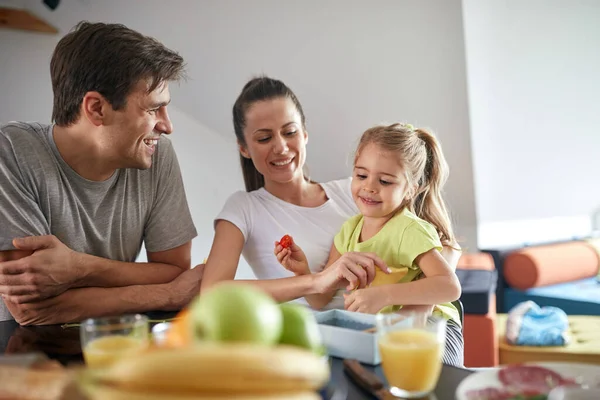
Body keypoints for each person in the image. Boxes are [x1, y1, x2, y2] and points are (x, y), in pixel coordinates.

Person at [200, 76, 461, 312]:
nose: (281, 147)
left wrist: (413, 313)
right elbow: (212, 292)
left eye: (289, 132)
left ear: (304, 134)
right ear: (244, 148)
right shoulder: (244, 208)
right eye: (264, 138)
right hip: (322, 336)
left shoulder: (359, 191)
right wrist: (311, 278)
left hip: (386, 332)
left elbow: (446, 248)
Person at [0, 22, 201, 325]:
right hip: (23, 355)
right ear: (96, 109)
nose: (167, 126)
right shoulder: (11, 153)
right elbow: (31, 308)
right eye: (152, 110)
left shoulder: (157, 155)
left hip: (113, 340)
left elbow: (175, 272)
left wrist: (78, 268)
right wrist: (169, 294)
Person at [275, 122, 464, 366]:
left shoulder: (409, 229)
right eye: (361, 175)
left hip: (435, 328)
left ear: (410, 190)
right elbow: (321, 299)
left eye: (385, 181)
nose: (369, 187)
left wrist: (383, 295)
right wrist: (302, 271)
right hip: (390, 330)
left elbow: (449, 286)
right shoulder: (349, 232)